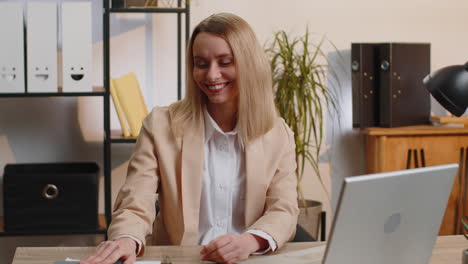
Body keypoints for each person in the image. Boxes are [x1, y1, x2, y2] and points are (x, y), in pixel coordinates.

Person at [81, 13, 299, 264]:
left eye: (225, 62)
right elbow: (134, 201)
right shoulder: (160, 125)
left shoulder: (277, 134)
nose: (211, 75)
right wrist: (127, 238)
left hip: (247, 259)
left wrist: (250, 241)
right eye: (201, 63)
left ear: (248, 63)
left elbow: (284, 209)